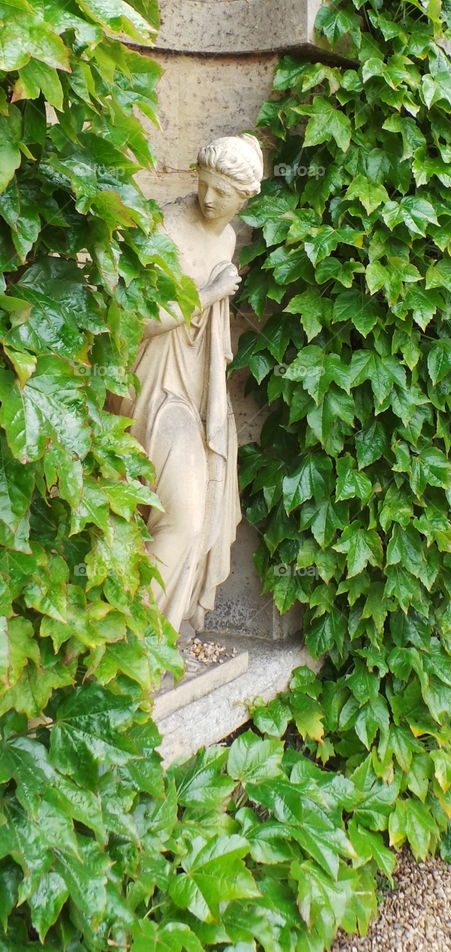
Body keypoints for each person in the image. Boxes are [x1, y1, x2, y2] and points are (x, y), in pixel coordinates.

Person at [117, 134, 264, 637]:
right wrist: (207, 294)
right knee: (180, 519)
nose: (208, 199)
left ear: (245, 199)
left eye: (222, 193)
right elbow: (134, 320)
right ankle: (129, 642)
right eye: (203, 185)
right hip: (153, 383)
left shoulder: (225, 237)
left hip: (195, 389)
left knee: (194, 521)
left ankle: (154, 635)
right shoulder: (166, 228)